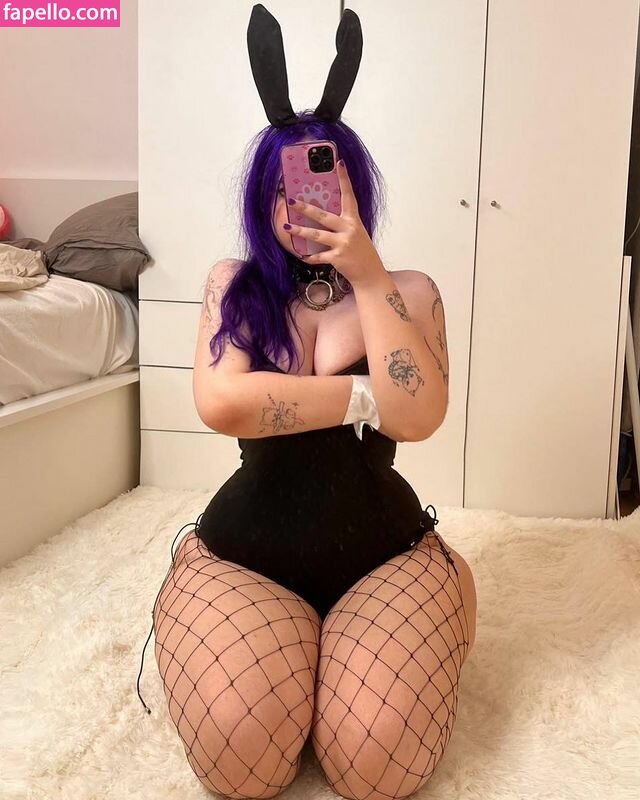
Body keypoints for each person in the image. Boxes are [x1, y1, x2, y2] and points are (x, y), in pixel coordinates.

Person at [137, 5, 477, 798]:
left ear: (355, 186)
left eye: (324, 182)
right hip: (247, 552)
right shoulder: (235, 285)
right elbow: (224, 403)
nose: (302, 205)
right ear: (263, 198)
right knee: (242, 764)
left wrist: (367, 273)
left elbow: (418, 417)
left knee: (378, 768)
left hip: (383, 552)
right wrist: (361, 396)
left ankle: (449, 587)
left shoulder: (407, 290)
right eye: (283, 189)